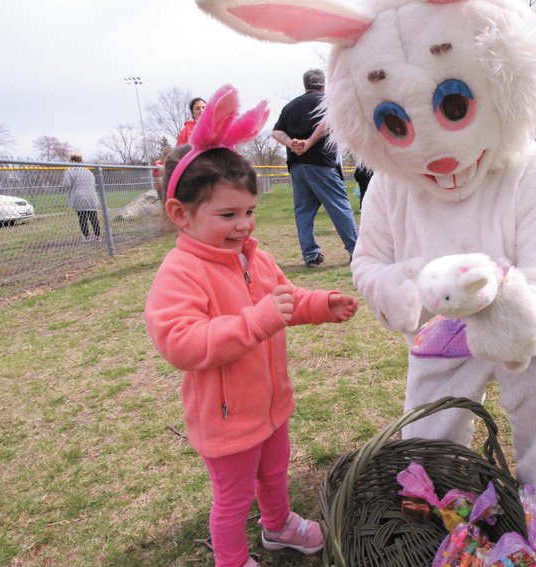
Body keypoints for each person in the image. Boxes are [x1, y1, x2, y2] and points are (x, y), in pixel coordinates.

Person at [144, 85, 359, 567]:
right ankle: (233, 560)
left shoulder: (252, 257)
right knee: (232, 500)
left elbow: (286, 300)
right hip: (225, 419)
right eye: (228, 215)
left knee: (275, 473)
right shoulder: (181, 272)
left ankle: (279, 525)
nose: (244, 225)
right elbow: (180, 342)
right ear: (181, 214)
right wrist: (254, 322)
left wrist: (321, 304)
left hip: (270, 403)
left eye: (249, 212)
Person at [272, 69, 358, 267]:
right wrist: (309, 142)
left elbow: (276, 132)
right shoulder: (328, 101)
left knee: (303, 211)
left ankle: (310, 255)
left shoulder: (290, 106)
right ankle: (356, 250)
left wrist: (292, 143)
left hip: (297, 165)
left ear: (305, 85)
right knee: (339, 207)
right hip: (321, 163)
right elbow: (328, 122)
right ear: (323, 84)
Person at [61, 153, 101, 243]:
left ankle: (86, 237)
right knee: (93, 217)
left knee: (82, 218)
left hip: (79, 197)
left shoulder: (70, 171)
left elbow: (66, 185)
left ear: (72, 161)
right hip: (92, 197)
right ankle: (98, 236)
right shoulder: (88, 171)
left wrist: (62, 187)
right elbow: (93, 184)